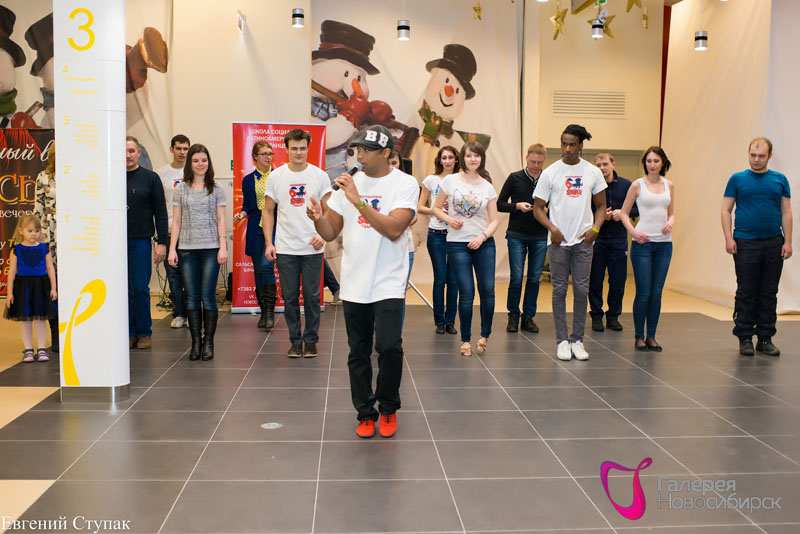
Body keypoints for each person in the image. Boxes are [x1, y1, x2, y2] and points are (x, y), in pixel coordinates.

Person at [307, 125, 418, 439]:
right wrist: (317, 217)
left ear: (386, 153)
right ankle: (366, 412)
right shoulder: (348, 184)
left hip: (388, 281)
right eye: (357, 150)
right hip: (355, 281)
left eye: (367, 150)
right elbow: (331, 232)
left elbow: (394, 229)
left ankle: (389, 408)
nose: (360, 156)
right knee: (358, 351)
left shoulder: (405, 183)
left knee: (389, 347)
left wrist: (357, 201)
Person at [533, 124, 606, 361]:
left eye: (572, 144)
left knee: (582, 290)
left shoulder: (592, 172)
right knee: (559, 290)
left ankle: (577, 340)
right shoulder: (550, 172)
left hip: (583, 241)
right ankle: (562, 341)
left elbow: (602, 206)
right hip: (558, 242)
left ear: (580, 145)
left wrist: (595, 229)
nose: (567, 149)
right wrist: (552, 228)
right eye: (564, 144)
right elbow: (537, 208)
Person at [263, 128, 331, 358]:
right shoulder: (276, 177)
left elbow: (331, 209)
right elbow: (268, 211)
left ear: (308, 148)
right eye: (294, 148)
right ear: (287, 149)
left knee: (312, 297)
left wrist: (323, 235)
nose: (298, 152)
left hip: (313, 247)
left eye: (302, 148)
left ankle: (310, 340)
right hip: (285, 247)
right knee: (290, 297)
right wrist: (269, 243)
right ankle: (295, 341)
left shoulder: (320, 176)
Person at [722, 137, 792, 357]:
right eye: (753, 155)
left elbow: (786, 212)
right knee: (746, 290)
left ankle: (765, 338)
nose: (756, 159)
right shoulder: (737, 179)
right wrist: (728, 238)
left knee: (769, 291)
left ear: (769, 156)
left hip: (773, 242)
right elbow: (725, 209)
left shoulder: (780, 180)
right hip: (745, 241)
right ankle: (744, 337)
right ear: (748, 153)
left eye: (761, 156)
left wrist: (788, 241)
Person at [432, 141, 498, 357]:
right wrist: (449, 220)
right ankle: (466, 339)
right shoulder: (450, 181)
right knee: (466, 292)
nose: (472, 159)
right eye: (469, 155)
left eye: (476, 156)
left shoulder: (487, 187)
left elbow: (494, 220)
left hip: (483, 243)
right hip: (457, 244)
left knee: (487, 290)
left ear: (481, 159)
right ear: (463, 157)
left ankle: (485, 334)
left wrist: (483, 237)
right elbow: (435, 208)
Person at [168, 144, 227, 361]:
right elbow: (176, 221)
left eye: (203, 160)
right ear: (189, 163)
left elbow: (221, 219)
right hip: (186, 250)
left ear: (208, 162)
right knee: (192, 297)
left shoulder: (217, 188)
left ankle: (208, 343)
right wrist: (172, 249)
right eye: (195, 160)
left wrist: (223, 246)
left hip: (211, 249)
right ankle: (196, 343)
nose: (200, 164)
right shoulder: (181, 189)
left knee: (208, 296)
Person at [620, 147, 674, 352]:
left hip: (664, 244)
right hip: (642, 244)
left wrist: (671, 221)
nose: (652, 164)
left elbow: (671, 212)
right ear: (645, 163)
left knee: (656, 293)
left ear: (663, 163)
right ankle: (639, 336)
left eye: (656, 161)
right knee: (644, 292)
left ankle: (651, 335)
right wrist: (633, 232)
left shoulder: (669, 185)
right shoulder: (637, 185)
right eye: (649, 161)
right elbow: (624, 213)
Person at [498, 143, 548, 334]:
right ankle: (513, 315)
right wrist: (517, 206)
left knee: (534, 278)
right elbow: (500, 204)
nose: (536, 166)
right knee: (517, 278)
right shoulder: (515, 177)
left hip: (540, 235)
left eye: (540, 162)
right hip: (517, 235)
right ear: (526, 158)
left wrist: (547, 210)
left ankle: (528, 316)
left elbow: (557, 205)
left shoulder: (548, 179)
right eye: (533, 161)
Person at [126, 136, 169, 350]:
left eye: (131, 151)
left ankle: (144, 332)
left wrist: (162, 243)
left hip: (140, 241)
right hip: (115, 243)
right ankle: (128, 332)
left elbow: (160, 213)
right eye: (124, 151)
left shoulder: (150, 178)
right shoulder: (110, 177)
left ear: (139, 153)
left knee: (140, 288)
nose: (127, 155)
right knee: (123, 290)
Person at [589, 153, 637, 333]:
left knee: (618, 280)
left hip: (618, 239)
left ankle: (613, 316)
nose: (602, 168)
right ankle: (596, 316)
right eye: (598, 165)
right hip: (598, 238)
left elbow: (638, 207)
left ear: (613, 164)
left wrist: (623, 213)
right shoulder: (592, 186)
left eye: (605, 164)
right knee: (595, 279)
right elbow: (586, 210)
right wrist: (602, 216)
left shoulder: (626, 185)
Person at [233, 141, 277, 330]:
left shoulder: (277, 177)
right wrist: (242, 214)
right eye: (264, 154)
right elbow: (247, 206)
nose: (268, 157)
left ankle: (270, 313)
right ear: (255, 157)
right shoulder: (248, 180)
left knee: (267, 266)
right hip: (254, 227)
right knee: (258, 270)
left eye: (270, 153)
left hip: (274, 227)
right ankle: (263, 311)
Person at [4, 214, 57, 362]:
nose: (34, 234)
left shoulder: (44, 248)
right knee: (26, 319)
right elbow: (12, 272)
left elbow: (50, 269)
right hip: (23, 287)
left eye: (37, 231)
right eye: (30, 231)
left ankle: (41, 349)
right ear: (21, 231)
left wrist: (53, 288)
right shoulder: (16, 250)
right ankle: (28, 350)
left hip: (41, 286)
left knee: (40, 319)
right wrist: (9, 293)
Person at [418, 145, 460, 335]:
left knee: (454, 280)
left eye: (451, 157)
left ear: (456, 160)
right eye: (444, 157)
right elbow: (420, 207)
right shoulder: (431, 180)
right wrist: (436, 210)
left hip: (456, 235)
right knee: (440, 278)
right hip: (437, 234)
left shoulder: (461, 180)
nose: (448, 161)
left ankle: (450, 321)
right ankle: (439, 322)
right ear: (440, 160)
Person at [157, 134, 190, 328]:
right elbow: (159, 206)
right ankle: (179, 314)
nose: (182, 152)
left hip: (191, 232)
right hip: (170, 231)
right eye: (179, 148)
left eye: (185, 149)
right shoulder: (162, 173)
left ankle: (192, 312)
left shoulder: (194, 169)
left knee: (190, 275)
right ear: (171, 149)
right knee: (173, 274)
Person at [33, 142, 60, 353]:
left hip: (72, 229)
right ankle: (55, 334)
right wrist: (35, 237)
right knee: (52, 283)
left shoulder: (77, 175)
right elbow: (37, 207)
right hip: (48, 230)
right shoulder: (42, 177)